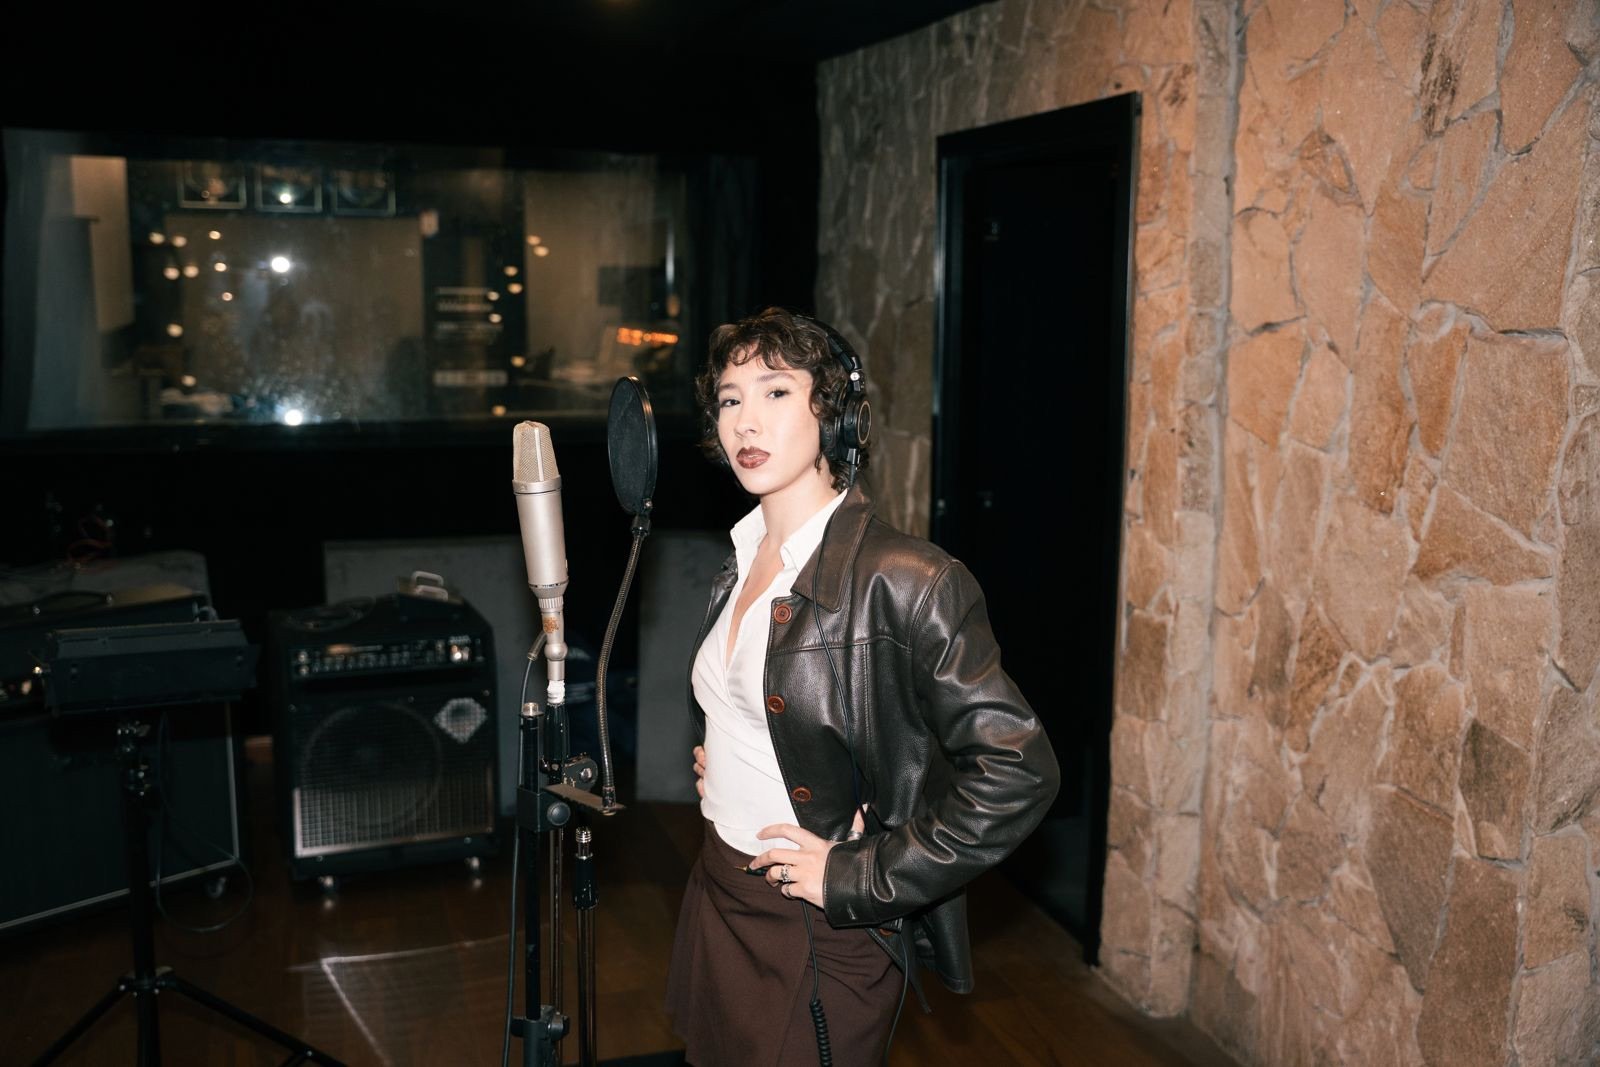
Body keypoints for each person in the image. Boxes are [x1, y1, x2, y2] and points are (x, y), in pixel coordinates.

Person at [664, 307, 1059, 1066]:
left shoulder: (908, 579)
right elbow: (774, 699)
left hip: (818, 924)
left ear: (834, 412)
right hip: (721, 885)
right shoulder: (744, 552)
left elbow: (1019, 771)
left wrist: (864, 873)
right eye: (730, 398)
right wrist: (734, 751)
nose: (746, 420)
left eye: (776, 392)